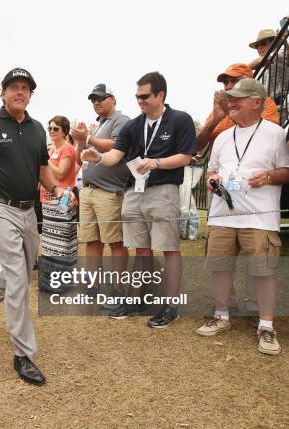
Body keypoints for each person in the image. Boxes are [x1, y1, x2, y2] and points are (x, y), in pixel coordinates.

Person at [0, 67, 74, 385]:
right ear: (3, 92)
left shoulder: (38, 129)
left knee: (16, 277)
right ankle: (24, 354)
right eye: (14, 87)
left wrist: (59, 190)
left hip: (28, 212)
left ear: (30, 94)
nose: (20, 92)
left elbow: (44, 172)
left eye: (25, 88)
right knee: (19, 279)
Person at [81, 71, 196, 327]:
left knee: (169, 249)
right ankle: (137, 299)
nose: (140, 101)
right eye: (137, 96)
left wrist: (156, 162)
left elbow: (186, 156)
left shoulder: (180, 119)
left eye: (145, 96)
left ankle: (170, 306)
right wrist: (97, 157)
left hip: (164, 189)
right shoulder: (134, 125)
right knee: (141, 249)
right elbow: (115, 155)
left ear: (161, 94)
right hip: (134, 192)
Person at [196, 78, 289, 355]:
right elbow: (211, 170)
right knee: (219, 268)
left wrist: (270, 176)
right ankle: (221, 315)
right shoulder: (223, 136)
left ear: (257, 102)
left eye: (237, 99)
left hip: (259, 218)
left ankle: (266, 326)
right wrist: (212, 180)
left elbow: (286, 170)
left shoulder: (275, 134)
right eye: (229, 99)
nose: (231, 103)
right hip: (222, 216)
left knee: (263, 272)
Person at [71, 84, 131, 305]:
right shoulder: (96, 125)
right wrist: (80, 142)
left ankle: (118, 289)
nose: (96, 102)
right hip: (88, 190)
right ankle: (92, 285)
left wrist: (88, 139)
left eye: (100, 98)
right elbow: (80, 160)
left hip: (109, 191)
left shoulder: (121, 120)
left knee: (116, 242)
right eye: (93, 99)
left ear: (112, 99)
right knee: (91, 240)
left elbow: (118, 144)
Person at [196, 64, 279, 154]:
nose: (228, 86)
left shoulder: (264, 102)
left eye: (234, 81)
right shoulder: (218, 109)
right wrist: (213, 122)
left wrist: (228, 112)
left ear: (249, 82)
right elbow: (196, 147)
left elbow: (265, 136)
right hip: (217, 167)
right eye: (226, 82)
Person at [39, 115, 77, 257]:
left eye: (56, 128)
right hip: (47, 199)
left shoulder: (67, 148)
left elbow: (61, 174)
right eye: (49, 128)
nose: (52, 131)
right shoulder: (50, 149)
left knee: (63, 238)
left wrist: (45, 160)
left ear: (64, 131)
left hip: (63, 198)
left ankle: (64, 272)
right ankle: (53, 270)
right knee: (50, 239)